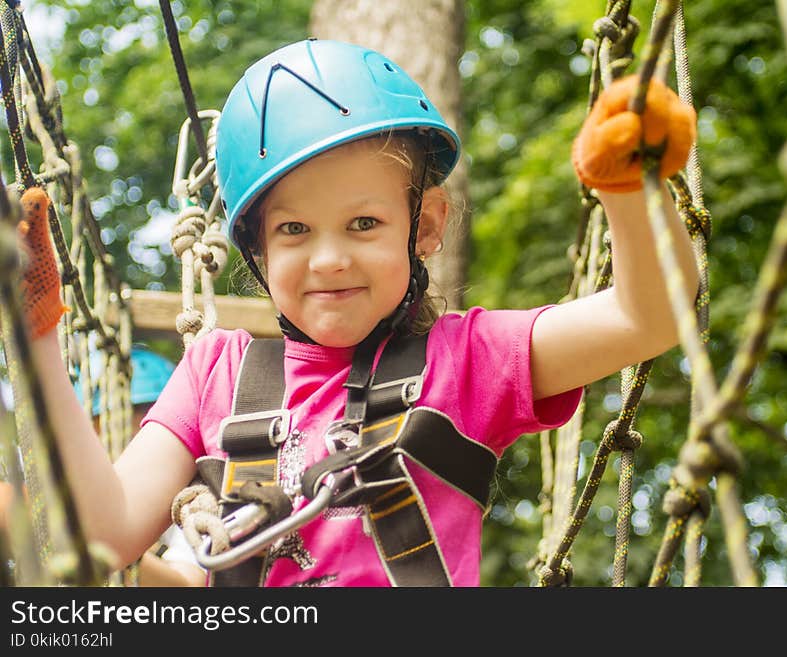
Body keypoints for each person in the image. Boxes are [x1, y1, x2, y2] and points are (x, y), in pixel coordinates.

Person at [18, 39, 699, 587]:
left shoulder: (468, 359)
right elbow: (104, 535)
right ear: (254, 249)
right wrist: (38, 330)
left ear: (425, 225)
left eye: (364, 222)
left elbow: (651, 316)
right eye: (293, 231)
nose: (329, 259)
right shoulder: (213, 373)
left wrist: (628, 189)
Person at [71, 344, 206, 587]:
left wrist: (102, 547)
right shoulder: (79, 491)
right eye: (109, 429)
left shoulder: (194, 498)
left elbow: (188, 585)